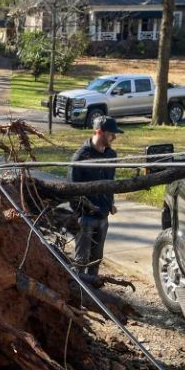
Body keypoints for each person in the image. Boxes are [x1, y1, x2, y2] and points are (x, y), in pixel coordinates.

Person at [68, 115, 122, 277]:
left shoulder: (111, 155)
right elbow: (72, 190)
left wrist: (110, 202)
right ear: (99, 132)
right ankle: (79, 290)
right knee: (81, 259)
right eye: (111, 134)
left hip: (103, 216)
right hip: (85, 218)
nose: (114, 137)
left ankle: (94, 289)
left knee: (96, 258)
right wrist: (82, 212)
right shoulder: (81, 157)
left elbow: (110, 181)